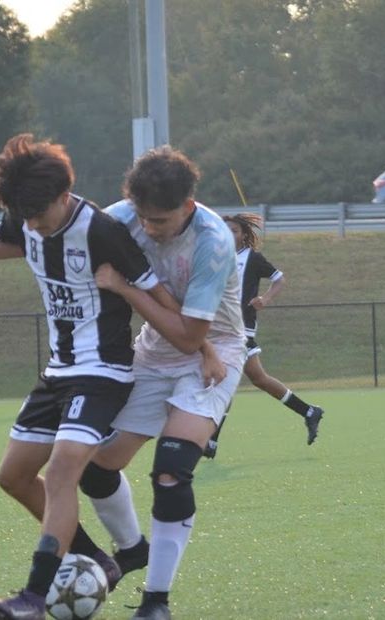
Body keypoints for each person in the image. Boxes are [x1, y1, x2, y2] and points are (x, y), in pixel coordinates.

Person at [0, 134, 165, 620]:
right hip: (58, 371)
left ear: (64, 195)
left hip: (102, 372)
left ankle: (33, 600)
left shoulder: (102, 233)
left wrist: (202, 343)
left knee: (61, 473)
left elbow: (158, 295)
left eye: (40, 215)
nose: (32, 226)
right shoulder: (25, 213)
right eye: (25, 217)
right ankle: (99, 558)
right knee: (13, 477)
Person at [77, 146, 245, 620]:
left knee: (171, 469)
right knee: (96, 467)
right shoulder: (121, 217)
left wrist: (125, 287)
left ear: (187, 207)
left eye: (162, 221)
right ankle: (131, 549)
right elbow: (58, 231)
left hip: (216, 351)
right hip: (154, 351)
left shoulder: (213, 241)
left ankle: (156, 601)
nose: (150, 228)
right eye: (144, 218)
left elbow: (194, 335)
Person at [202, 212, 324, 459]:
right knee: (258, 378)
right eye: (224, 230)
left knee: (224, 381)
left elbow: (279, 278)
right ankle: (309, 411)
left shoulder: (252, 259)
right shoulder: (216, 258)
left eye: (234, 230)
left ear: (244, 235)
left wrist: (265, 298)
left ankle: (211, 442)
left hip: (239, 330)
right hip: (219, 329)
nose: (228, 234)